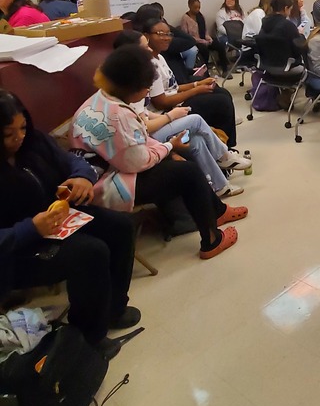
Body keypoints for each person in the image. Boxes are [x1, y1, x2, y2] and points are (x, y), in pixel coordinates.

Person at [70, 46, 245, 260]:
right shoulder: (119, 116)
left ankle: (217, 211)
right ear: (130, 86)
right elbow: (138, 162)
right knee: (188, 172)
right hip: (107, 186)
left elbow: (137, 143)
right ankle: (211, 240)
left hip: (110, 168)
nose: (147, 92)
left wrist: (167, 150)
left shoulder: (99, 99)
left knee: (182, 157)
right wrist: (170, 147)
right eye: (145, 87)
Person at [0, 90, 138, 359]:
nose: (19, 137)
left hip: (55, 220)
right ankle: (88, 338)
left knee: (120, 227)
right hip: (16, 250)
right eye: (8, 134)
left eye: (23, 127)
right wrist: (31, 229)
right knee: (90, 253)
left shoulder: (33, 142)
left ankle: (114, 308)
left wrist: (81, 176)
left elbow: (71, 160)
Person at [113, 30, 250, 198]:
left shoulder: (142, 71)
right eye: (144, 47)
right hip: (147, 141)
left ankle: (219, 185)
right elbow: (144, 127)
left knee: (196, 140)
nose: (149, 50)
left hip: (155, 127)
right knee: (196, 120)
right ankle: (223, 155)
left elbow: (145, 113)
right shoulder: (130, 82)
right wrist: (171, 116)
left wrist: (176, 113)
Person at [144, 19, 238, 147]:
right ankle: (226, 148)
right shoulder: (149, 64)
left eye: (169, 34)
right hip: (168, 110)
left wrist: (197, 85)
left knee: (223, 93)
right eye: (160, 33)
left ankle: (223, 143)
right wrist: (195, 91)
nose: (166, 38)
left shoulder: (160, 57)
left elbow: (173, 88)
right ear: (146, 36)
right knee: (221, 103)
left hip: (175, 101)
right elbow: (161, 102)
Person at [179, 0, 228, 72]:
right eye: (195, 7)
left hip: (204, 39)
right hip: (194, 42)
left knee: (220, 46)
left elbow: (205, 31)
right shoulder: (185, 19)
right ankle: (205, 70)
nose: (197, 9)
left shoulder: (201, 16)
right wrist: (202, 41)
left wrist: (208, 38)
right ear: (189, 6)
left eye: (199, 7)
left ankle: (225, 69)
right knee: (204, 50)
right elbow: (187, 36)